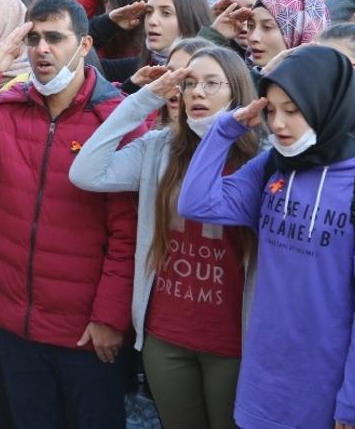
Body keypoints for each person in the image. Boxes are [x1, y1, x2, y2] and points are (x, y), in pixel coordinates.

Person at [0, 0, 141, 428]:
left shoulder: (115, 118)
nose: (42, 49)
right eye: (33, 39)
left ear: (85, 45)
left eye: (55, 38)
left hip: (85, 331)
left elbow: (128, 233)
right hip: (16, 324)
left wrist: (109, 318)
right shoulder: (12, 108)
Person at [71, 47, 260, 429]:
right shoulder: (161, 147)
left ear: (236, 92)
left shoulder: (261, 156)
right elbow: (87, 173)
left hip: (234, 341)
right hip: (165, 335)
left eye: (211, 83)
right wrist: (143, 100)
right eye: (189, 84)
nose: (196, 93)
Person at [178, 45, 355, 429]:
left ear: (328, 103)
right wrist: (226, 129)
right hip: (264, 381)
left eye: (293, 111)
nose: (278, 124)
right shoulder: (274, 165)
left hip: (330, 391)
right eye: (272, 110)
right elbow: (197, 203)